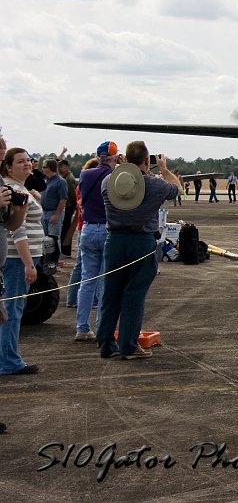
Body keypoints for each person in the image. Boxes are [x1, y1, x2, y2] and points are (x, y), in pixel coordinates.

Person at [96, 141, 180, 360]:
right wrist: (163, 168)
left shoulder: (108, 182)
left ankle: (106, 344)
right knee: (134, 296)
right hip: (142, 241)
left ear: (124, 158)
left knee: (110, 294)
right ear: (146, 161)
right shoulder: (155, 185)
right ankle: (129, 346)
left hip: (114, 241)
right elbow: (177, 189)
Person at [1, 147, 44, 375]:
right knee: (13, 309)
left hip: (19, 259)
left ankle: (7, 357)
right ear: (8, 166)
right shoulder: (15, 190)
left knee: (12, 307)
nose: (27, 164)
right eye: (20, 161)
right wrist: (28, 263)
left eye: (28, 160)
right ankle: (8, 360)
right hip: (17, 260)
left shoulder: (21, 189)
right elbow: (18, 230)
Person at [74, 142, 119, 341]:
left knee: (87, 280)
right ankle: (102, 328)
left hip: (88, 228)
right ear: (115, 157)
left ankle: (82, 327)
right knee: (104, 282)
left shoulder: (85, 175)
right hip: (107, 229)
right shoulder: (114, 178)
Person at [65, 157, 99, 308]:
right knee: (90, 267)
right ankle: (90, 300)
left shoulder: (82, 185)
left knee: (80, 265)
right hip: (89, 226)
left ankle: (72, 298)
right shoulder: (96, 185)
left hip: (82, 227)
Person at [39, 158, 68, 241]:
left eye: (44, 167)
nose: (42, 169)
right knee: (44, 238)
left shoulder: (60, 181)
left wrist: (56, 215)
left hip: (54, 212)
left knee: (53, 238)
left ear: (50, 168)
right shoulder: (45, 180)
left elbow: (63, 199)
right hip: (44, 212)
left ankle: (55, 254)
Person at [57, 158, 79, 257]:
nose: (60, 168)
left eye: (62, 166)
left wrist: (72, 206)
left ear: (66, 167)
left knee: (66, 228)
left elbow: (72, 194)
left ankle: (66, 251)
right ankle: (64, 250)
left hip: (69, 206)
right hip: (67, 206)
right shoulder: (64, 177)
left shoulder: (69, 179)